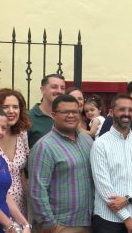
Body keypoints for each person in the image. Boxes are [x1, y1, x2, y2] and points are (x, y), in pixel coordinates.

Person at [90, 95, 132, 233]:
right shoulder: (100, 144)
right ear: (111, 112)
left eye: (130, 110)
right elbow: (103, 186)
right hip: (107, 220)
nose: (127, 113)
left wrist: (128, 199)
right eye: (122, 109)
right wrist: (127, 218)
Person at [29, 94, 94, 232]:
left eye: (75, 111)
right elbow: (37, 189)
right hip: (62, 225)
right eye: (65, 112)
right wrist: (50, 224)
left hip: (90, 221)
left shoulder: (87, 140)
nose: (71, 115)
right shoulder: (44, 147)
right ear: (54, 115)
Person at [28, 73, 66, 148]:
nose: (59, 91)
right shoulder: (28, 117)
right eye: (54, 87)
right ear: (43, 90)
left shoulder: (67, 116)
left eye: (62, 88)